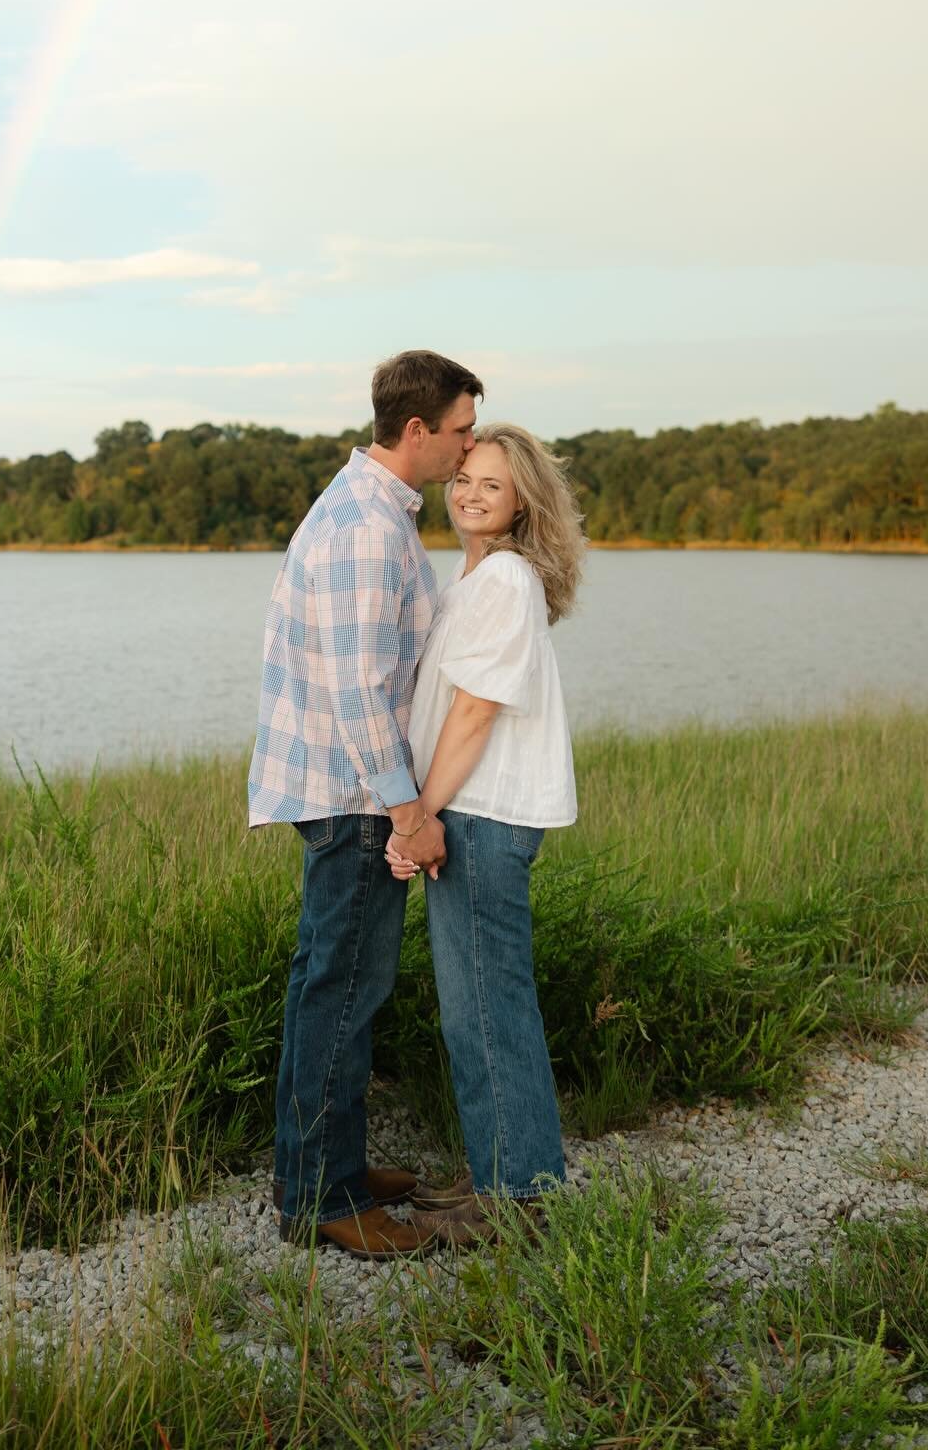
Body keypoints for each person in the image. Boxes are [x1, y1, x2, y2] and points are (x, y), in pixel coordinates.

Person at [249, 350, 483, 1258]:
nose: (468, 449)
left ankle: (317, 1168)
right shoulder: (365, 529)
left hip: (354, 793)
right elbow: (357, 694)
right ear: (416, 429)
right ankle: (321, 1200)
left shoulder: (374, 509)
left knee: (332, 984)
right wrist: (408, 812)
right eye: (460, 431)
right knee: (343, 992)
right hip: (354, 798)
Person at [386, 421, 585, 1247]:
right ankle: (503, 1167)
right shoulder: (471, 581)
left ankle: (520, 1200)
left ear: (521, 501)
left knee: (488, 1005)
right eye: (465, 477)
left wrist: (422, 812)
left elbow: (473, 714)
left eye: (492, 485)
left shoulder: (506, 579)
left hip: (483, 813)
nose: (470, 493)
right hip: (470, 808)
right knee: (475, 1005)